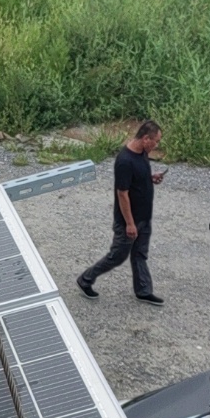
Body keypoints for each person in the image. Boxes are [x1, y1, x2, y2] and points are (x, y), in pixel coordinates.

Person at [76, 120, 165, 306]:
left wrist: (150, 177)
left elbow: (136, 178)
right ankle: (85, 279)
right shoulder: (125, 160)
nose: (157, 145)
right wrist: (130, 224)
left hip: (144, 216)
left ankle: (143, 291)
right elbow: (122, 194)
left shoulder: (142, 153)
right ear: (146, 138)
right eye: (156, 141)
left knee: (140, 254)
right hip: (129, 220)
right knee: (117, 255)